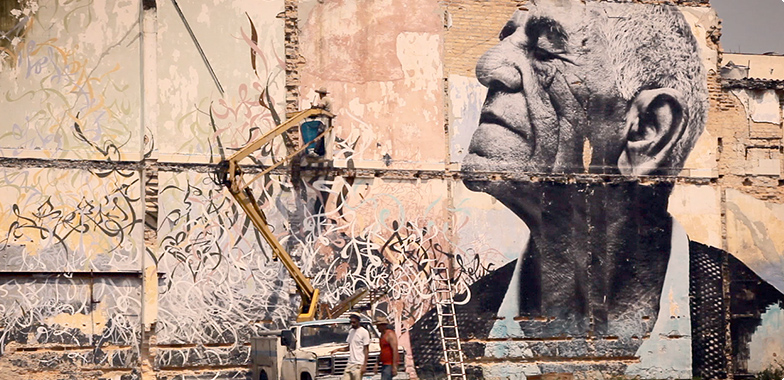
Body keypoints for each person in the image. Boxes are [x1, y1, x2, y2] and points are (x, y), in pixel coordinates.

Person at [412, 0, 783, 378]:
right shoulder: (435, 337)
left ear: (647, 131)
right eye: (505, 40)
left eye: (543, 49)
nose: (487, 67)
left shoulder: (766, 326)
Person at [332, 312, 370, 380]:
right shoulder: (351, 331)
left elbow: (366, 350)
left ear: (358, 321)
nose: (352, 324)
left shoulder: (364, 332)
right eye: (351, 322)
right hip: (350, 363)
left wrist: (364, 365)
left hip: (359, 364)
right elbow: (349, 347)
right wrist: (337, 350)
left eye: (354, 322)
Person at [373, 315, 398, 380]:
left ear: (383, 326)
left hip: (389, 364)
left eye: (378, 326)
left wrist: (394, 366)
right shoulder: (382, 335)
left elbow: (395, 350)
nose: (377, 328)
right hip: (384, 363)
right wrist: (377, 363)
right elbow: (382, 350)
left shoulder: (390, 334)